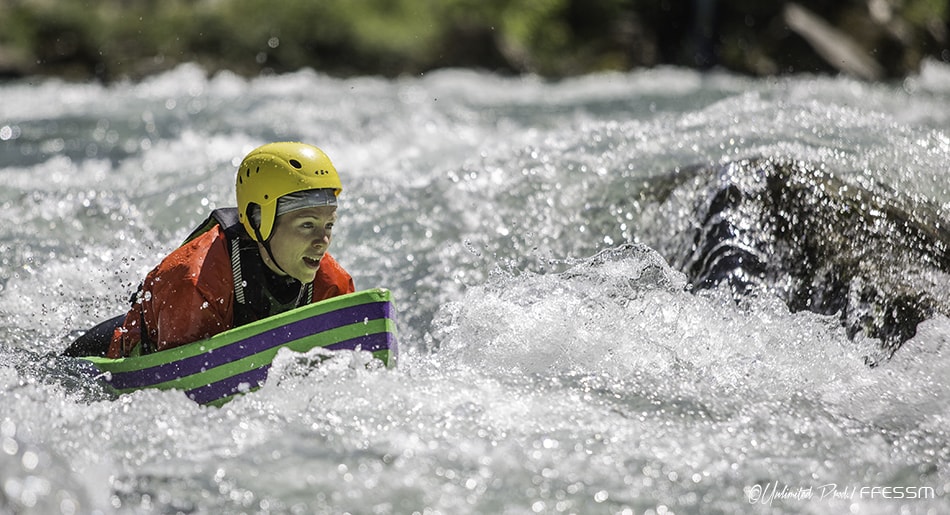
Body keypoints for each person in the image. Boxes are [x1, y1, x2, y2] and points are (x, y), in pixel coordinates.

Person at [63, 142, 354, 358]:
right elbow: (176, 388)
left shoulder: (332, 283)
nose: (322, 240)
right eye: (306, 225)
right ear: (257, 219)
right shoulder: (195, 282)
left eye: (328, 225)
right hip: (98, 360)